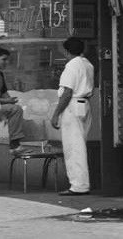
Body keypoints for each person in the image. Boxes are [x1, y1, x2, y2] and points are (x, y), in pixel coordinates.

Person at [50, 37, 94, 196]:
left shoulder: (71, 66)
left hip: (73, 105)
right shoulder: (88, 64)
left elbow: (67, 92)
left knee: (73, 147)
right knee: (80, 144)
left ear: (66, 51)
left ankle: (79, 185)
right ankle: (81, 183)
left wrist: (56, 114)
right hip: (85, 104)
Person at [0, 47, 28, 155]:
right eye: (4, 59)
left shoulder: (0, 74)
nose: (7, 62)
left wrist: (11, 100)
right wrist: (7, 101)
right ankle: (14, 144)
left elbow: (4, 93)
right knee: (15, 109)